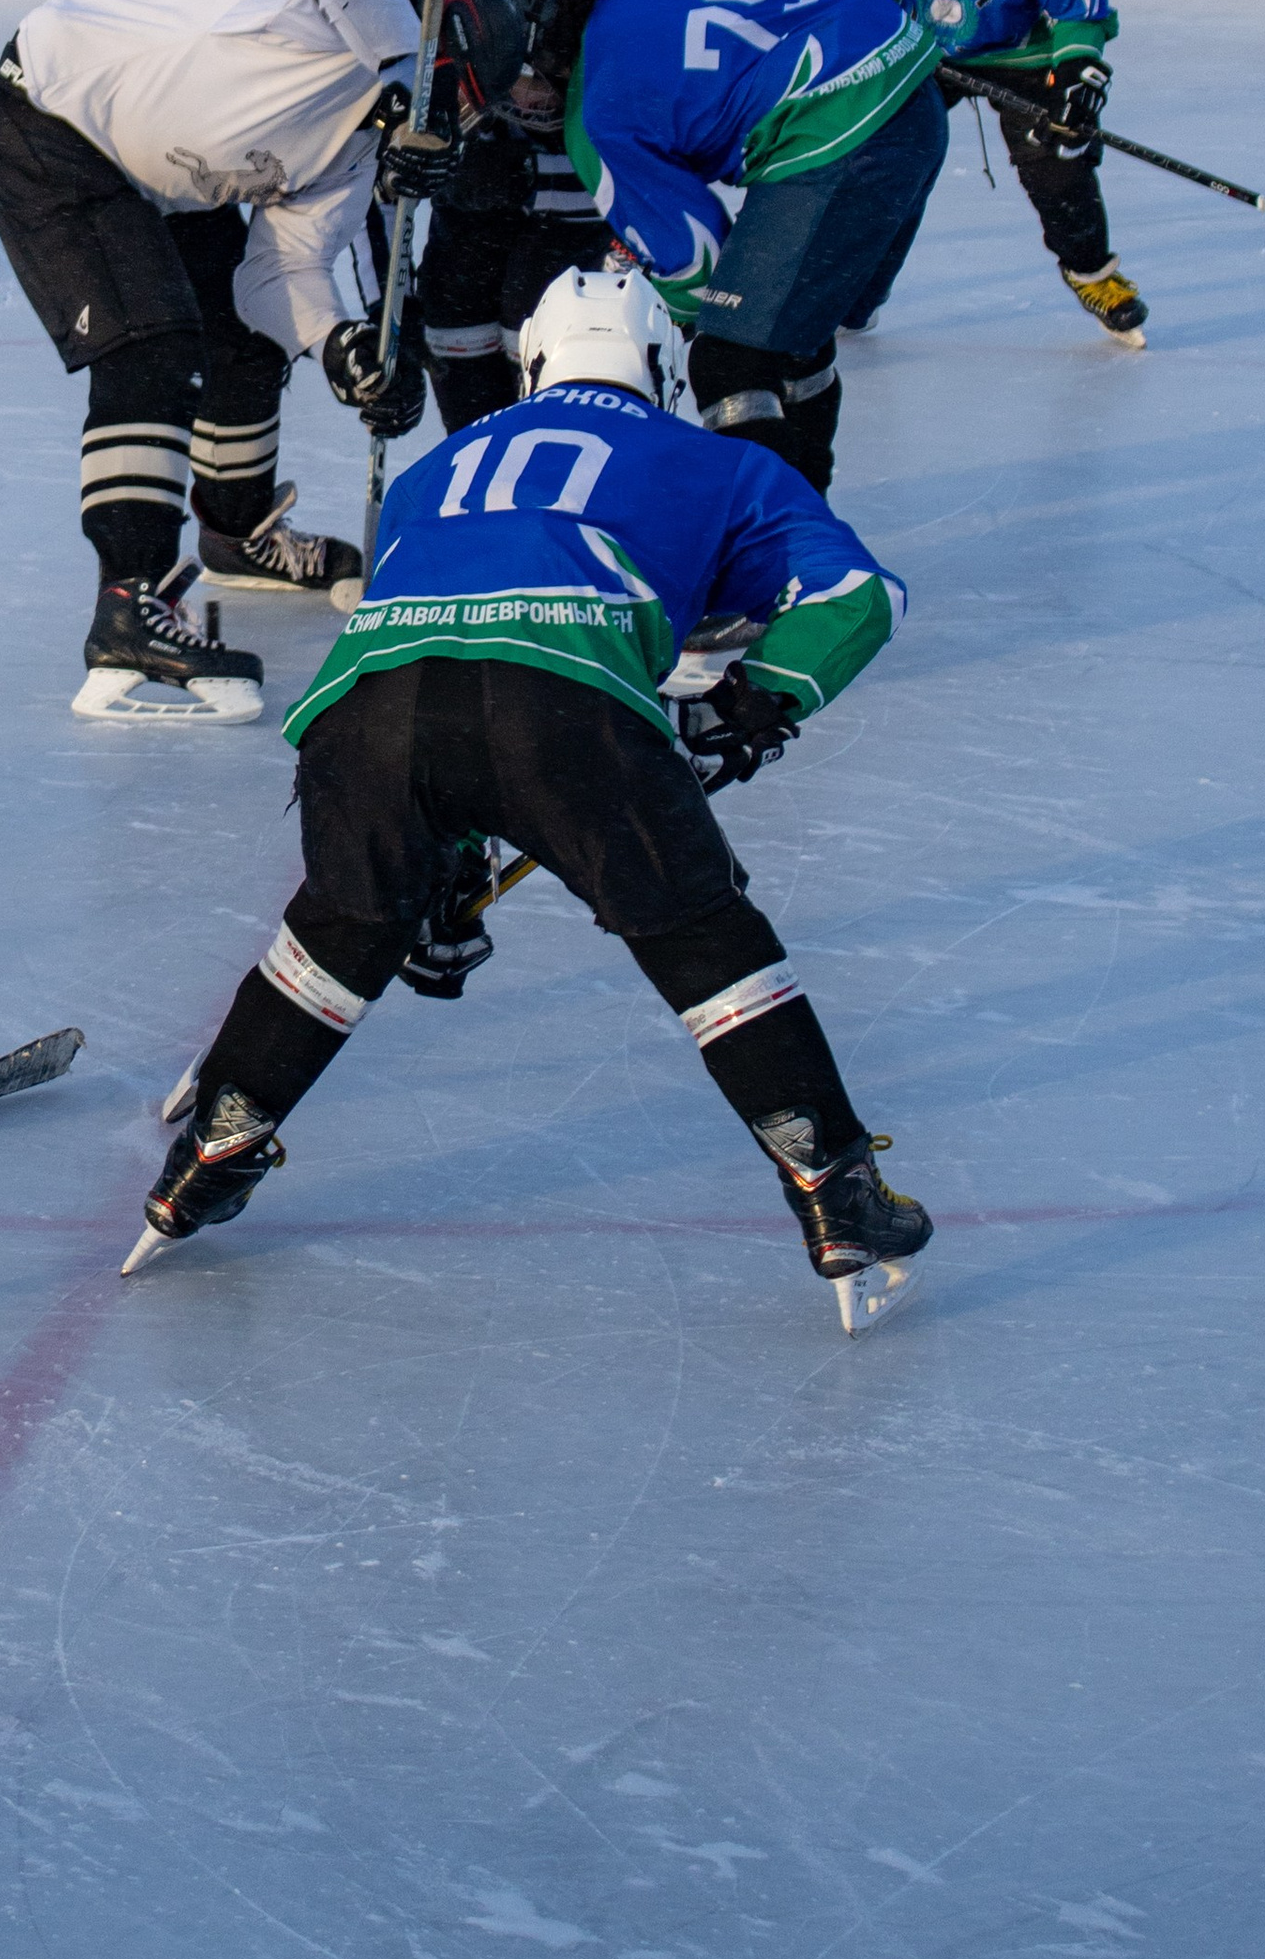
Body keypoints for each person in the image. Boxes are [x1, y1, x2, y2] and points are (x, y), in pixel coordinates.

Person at [127, 263, 932, 1329]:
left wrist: (438, 854)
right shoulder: (715, 460)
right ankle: (835, 1189)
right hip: (564, 701)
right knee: (700, 933)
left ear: (534, 364)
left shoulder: (439, 463)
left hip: (361, 705)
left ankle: (213, 1151)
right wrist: (746, 710)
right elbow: (854, 596)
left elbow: (449, 647)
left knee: (341, 926)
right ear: (662, 366)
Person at [0, 0, 542, 719]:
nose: (457, 126)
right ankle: (130, 601)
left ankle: (238, 532)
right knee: (153, 349)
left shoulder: (355, 154)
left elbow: (279, 271)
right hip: (52, 117)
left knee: (242, 339)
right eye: (459, 101)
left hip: (163, 179)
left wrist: (340, 342)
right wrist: (415, 96)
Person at [225, 0, 597, 430]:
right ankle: (388, 314)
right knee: (372, 166)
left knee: (428, 147)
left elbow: (491, 5)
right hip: (349, 15)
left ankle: (419, 296)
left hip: (441, 21)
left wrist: (457, 89)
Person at [558, 0, 944, 489]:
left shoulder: (597, 121)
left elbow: (697, 262)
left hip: (842, 139)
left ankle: (785, 546)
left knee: (727, 358)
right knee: (788, 334)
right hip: (909, 82)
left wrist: (699, 312)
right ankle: (807, 518)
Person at [805, 0, 1142, 344]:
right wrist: (830, 4)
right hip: (918, 46)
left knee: (1058, 159)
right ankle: (858, 291)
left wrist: (1079, 75)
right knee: (886, 162)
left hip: (1023, 55)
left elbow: (1081, 12)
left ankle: (1092, 273)